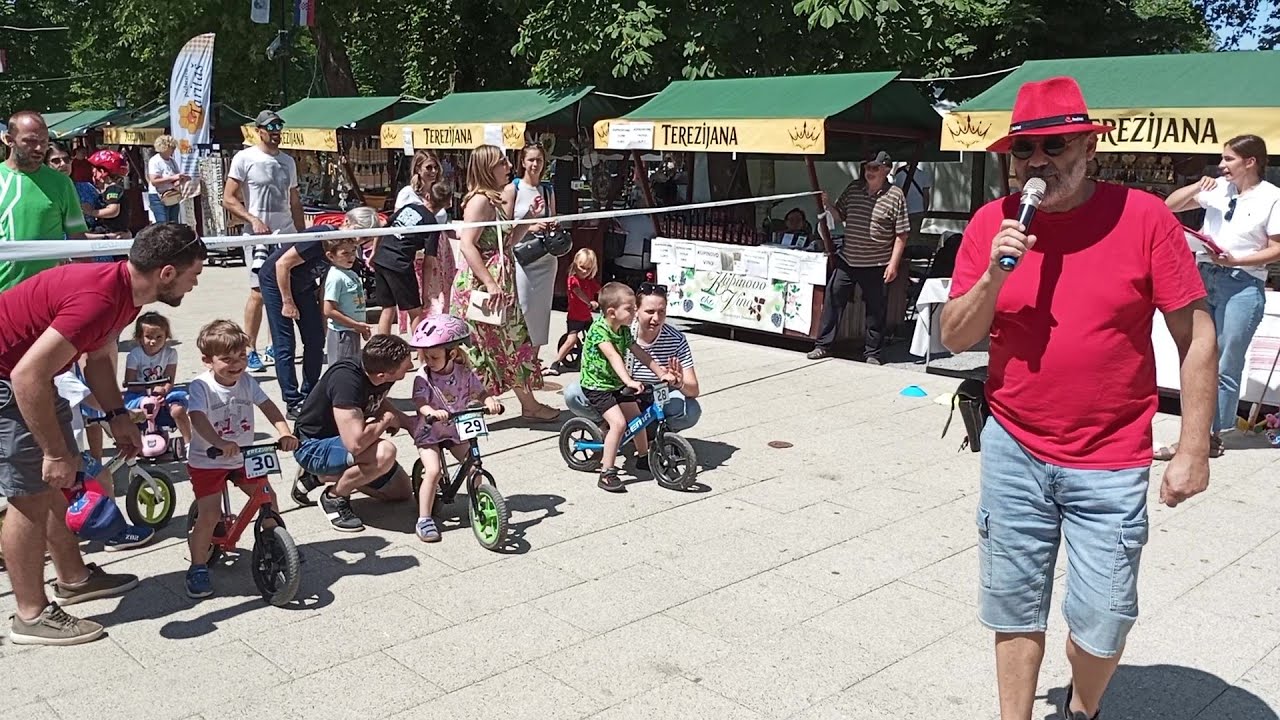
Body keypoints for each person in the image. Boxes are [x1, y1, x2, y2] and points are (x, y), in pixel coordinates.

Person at [939, 77, 1217, 720]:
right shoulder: (992, 223)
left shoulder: (1143, 217)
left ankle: (1081, 710)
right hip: (1014, 445)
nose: (1038, 162)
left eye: (1055, 146)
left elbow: (1197, 336)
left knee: (1105, 618)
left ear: (1089, 149)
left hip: (1111, 455)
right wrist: (993, 276)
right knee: (1013, 606)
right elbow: (954, 336)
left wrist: (1193, 447)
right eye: (1024, 150)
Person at [0, 222, 207, 645]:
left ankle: (73, 579)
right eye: (194, 274)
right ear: (167, 272)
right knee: (29, 496)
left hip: (36, 379)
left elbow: (95, 359)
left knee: (59, 482)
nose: (196, 283)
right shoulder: (98, 299)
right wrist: (53, 452)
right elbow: (25, 376)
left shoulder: (125, 292)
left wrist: (117, 416)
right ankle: (30, 615)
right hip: (13, 382)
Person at [1160, 135, 1280, 459]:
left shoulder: (1272, 197)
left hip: (1242, 283)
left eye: (1228, 159)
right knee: (1197, 356)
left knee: (1226, 363)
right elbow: (1169, 206)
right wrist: (1196, 186)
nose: (1222, 165)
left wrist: (1237, 260)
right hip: (1205, 276)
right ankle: (1194, 433)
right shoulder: (1218, 189)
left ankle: (1214, 436)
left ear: (1250, 162)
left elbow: (1277, 248)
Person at [184, 320, 298, 599]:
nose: (236, 364)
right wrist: (219, 443)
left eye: (242, 357)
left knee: (267, 497)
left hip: (243, 456)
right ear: (207, 361)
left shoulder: (247, 382)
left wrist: (284, 431)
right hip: (208, 459)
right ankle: (197, 567)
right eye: (227, 359)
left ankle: (276, 545)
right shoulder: (201, 386)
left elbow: (268, 406)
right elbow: (197, 417)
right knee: (209, 515)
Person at [450, 144, 559, 421]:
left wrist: (528, 219)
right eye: (502, 163)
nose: (509, 166)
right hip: (481, 286)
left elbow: (505, 241)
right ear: (488, 168)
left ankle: (523, 404)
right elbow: (467, 245)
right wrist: (490, 283)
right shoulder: (479, 201)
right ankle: (473, 404)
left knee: (511, 343)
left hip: (498, 283)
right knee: (488, 345)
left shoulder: (494, 199)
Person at [260, 206, 380, 418]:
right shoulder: (321, 236)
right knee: (285, 343)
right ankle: (292, 400)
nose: (359, 241)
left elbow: (327, 282)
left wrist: (322, 318)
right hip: (277, 282)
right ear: (347, 222)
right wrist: (287, 301)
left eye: (364, 239)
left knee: (315, 340)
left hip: (304, 285)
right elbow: (282, 264)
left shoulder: (349, 249)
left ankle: (310, 393)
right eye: (359, 233)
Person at [290, 335, 415, 532]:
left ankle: (317, 477)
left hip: (342, 444)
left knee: (401, 492)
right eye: (406, 367)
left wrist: (410, 423)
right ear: (383, 375)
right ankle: (334, 497)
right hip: (313, 445)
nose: (411, 367)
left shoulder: (378, 370)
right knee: (384, 453)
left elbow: (376, 400)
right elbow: (355, 444)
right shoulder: (346, 381)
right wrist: (385, 421)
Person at [407, 314, 503, 542]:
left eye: (434, 356)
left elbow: (480, 392)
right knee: (433, 471)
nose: (428, 361)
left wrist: (490, 401)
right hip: (430, 431)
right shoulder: (423, 377)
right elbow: (420, 401)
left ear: (451, 354)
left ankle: (478, 503)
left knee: (473, 464)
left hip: (455, 428)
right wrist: (430, 412)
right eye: (425, 356)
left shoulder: (464, 373)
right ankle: (424, 519)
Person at [810, 150, 910, 364]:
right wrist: (827, 204)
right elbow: (839, 215)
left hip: (877, 263)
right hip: (849, 259)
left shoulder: (896, 195)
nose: (869, 171)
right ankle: (823, 345)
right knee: (833, 299)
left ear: (886, 169)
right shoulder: (854, 188)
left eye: (874, 167)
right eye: (867, 167)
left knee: (876, 310)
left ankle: (873, 353)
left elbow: (902, 234)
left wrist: (893, 264)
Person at [224, 110, 304, 373]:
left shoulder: (288, 161)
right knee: (258, 291)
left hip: (285, 232)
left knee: (283, 289)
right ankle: (249, 348)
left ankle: (274, 345)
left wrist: (303, 235)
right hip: (258, 236)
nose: (275, 132)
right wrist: (253, 219)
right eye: (270, 127)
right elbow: (228, 198)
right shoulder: (245, 158)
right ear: (258, 131)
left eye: (278, 127)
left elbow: (294, 202)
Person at [579, 282, 679, 493]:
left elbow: (640, 353)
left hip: (615, 383)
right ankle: (607, 472)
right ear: (611, 313)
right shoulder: (599, 330)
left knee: (638, 418)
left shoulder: (624, 331)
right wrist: (629, 381)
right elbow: (613, 357)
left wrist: (661, 373)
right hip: (597, 386)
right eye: (630, 309)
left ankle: (643, 457)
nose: (634, 313)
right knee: (618, 424)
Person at [565, 281, 701, 432]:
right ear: (636, 311)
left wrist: (678, 382)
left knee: (691, 410)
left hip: (655, 396)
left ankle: (658, 434)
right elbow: (613, 355)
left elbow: (694, 390)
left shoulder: (676, 339)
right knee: (573, 393)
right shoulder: (622, 327)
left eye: (661, 312)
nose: (656, 318)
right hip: (621, 390)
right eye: (650, 312)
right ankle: (608, 426)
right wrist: (629, 381)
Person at [0, 111, 88, 292]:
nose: (39, 148)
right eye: (30, 141)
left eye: (44, 141)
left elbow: (78, 238)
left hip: (45, 294)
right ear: (9, 140)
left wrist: (83, 288)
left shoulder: (61, 183)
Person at [505, 144, 560, 352]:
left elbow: (552, 217)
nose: (535, 164)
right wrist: (530, 226)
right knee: (524, 306)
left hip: (545, 256)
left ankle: (533, 359)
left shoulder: (547, 189)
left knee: (541, 311)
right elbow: (504, 227)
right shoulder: (513, 189)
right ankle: (517, 354)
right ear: (523, 162)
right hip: (522, 255)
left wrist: (551, 225)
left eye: (539, 160)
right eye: (531, 160)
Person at [122, 312, 192, 455]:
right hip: (139, 393)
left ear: (166, 337)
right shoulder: (135, 355)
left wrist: (164, 390)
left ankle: (189, 444)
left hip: (162, 392)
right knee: (126, 415)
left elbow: (170, 380)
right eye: (148, 337)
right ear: (139, 337)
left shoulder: (170, 354)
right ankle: (132, 443)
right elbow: (130, 382)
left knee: (178, 410)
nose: (153, 341)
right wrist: (149, 391)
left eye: (159, 337)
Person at [371, 202, 437, 337]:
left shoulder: (410, 206)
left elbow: (383, 226)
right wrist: (425, 295)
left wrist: (374, 252)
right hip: (399, 264)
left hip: (382, 257)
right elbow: (428, 262)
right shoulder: (432, 222)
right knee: (415, 312)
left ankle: (381, 346)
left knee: (387, 308)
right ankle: (420, 348)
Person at [546, 248, 600, 375]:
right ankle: (556, 363)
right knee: (572, 340)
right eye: (582, 267)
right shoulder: (573, 280)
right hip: (575, 318)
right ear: (575, 264)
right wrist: (590, 302)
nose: (584, 271)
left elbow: (600, 290)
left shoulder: (589, 281)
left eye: (588, 269)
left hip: (587, 317)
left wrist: (608, 297)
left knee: (598, 337)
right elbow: (578, 293)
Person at [322, 237, 372, 365]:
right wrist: (355, 325)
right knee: (342, 369)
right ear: (331, 256)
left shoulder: (351, 274)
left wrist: (362, 326)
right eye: (345, 253)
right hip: (342, 333)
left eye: (353, 251)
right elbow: (329, 310)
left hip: (353, 330)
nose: (351, 256)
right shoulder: (335, 277)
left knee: (353, 367)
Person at [420, 181, 458, 317]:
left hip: (442, 248)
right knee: (429, 287)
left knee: (443, 287)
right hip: (426, 248)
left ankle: (441, 318)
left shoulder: (438, 189)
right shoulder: (410, 195)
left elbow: (445, 227)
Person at [82, 149, 132, 240]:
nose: (92, 174)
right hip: (113, 230)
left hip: (110, 230)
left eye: (94, 171)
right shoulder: (112, 189)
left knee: (82, 236)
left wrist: (91, 212)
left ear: (102, 172)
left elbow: (113, 210)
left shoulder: (113, 189)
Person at [146, 134, 188, 224]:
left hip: (172, 194)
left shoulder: (172, 161)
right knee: (163, 224)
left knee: (174, 224)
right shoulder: (155, 161)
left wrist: (181, 180)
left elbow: (174, 181)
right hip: (158, 196)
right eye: (171, 147)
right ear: (164, 148)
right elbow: (154, 181)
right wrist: (173, 177)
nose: (174, 149)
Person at [893, 162, 933, 242]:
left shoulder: (899, 175)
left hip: (903, 210)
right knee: (915, 235)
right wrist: (925, 209)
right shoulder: (923, 175)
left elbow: (895, 194)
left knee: (902, 235)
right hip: (918, 209)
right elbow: (926, 195)